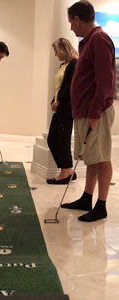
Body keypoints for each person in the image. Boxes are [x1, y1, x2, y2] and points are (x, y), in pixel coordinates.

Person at [61, 0, 116, 222]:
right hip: (86, 111)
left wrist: (94, 112)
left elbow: (105, 81)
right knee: (93, 158)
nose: (71, 28)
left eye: (71, 23)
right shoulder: (89, 41)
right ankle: (86, 197)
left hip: (96, 112)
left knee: (101, 158)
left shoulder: (99, 39)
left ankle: (101, 206)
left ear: (77, 18)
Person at [47, 38, 78, 184]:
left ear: (63, 49)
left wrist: (58, 101)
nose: (55, 54)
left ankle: (65, 173)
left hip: (66, 108)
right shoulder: (62, 65)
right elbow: (59, 86)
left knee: (61, 140)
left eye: (56, 51)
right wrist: (53, 101)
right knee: (52, 139)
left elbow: (71, 86)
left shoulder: (74, 64)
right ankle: (68, 170)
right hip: (59, 107)